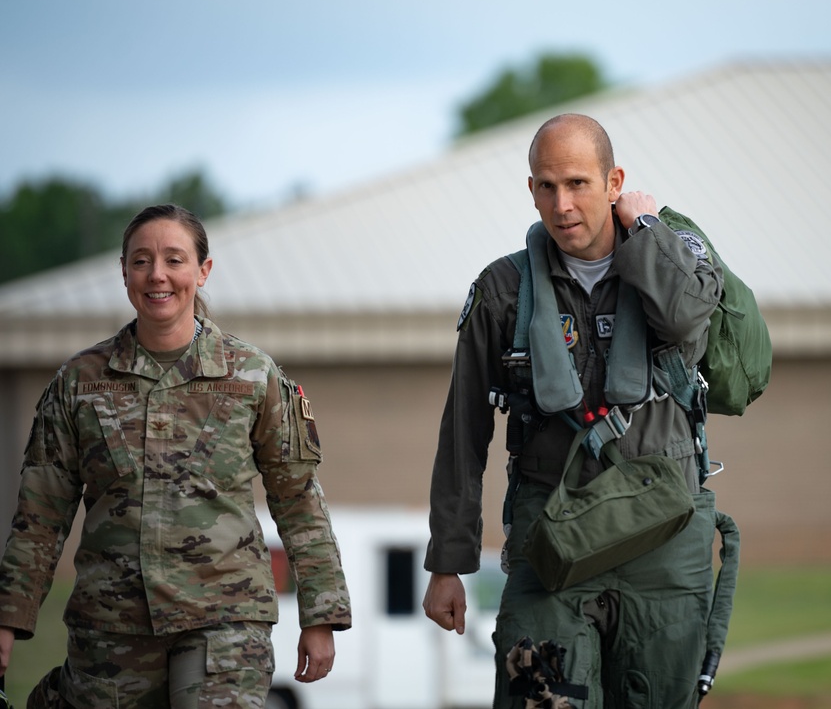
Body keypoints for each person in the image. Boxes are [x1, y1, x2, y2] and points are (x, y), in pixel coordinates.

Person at [422, 113, 726, 708]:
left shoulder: (675, 263)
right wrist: (448, 562)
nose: (562, 204)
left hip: (663, 536)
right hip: (552, 536)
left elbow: (687, 317)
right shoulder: (503, 290)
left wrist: (644, 229)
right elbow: (464, 430)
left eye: (579, 184)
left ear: (614, 181)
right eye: (546, 185)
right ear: (531, 189)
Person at [0, 204, 352, 708]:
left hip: (226, 622)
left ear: (203, 271)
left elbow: (299, 501)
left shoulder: (253, 375)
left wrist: (321, 614)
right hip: (111, 628)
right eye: (141, 261)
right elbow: (40, 514)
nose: (157, 275)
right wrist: (10, 617)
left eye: (174, 259)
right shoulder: (79, 382)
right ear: (124, 272)